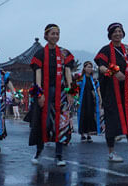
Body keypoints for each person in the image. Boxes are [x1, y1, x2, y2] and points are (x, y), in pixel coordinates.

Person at [29, 24, 75, 165]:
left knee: (60, 122)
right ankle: (39, 151)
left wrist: (70, 91)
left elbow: (68, 73)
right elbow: (37, 74)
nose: (55, 36)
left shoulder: (64, 53)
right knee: (43, 122)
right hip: (44, 91)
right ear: (46, 36)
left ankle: (59, 155)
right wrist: (39, 93)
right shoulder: (40, 54)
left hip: (60, 92)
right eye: (52, 33)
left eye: (57, 33)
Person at [95, 22, 128, 164]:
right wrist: (114, 72)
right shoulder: (105, 50)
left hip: (127, 92)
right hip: (111, 92)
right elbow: (101, 66)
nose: (117, 34)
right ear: (110, 34)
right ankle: (111, 152)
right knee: (112, 121)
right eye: (114, 31)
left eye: (120, 31)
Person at [76, 61, 101, 142]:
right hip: (82, 100)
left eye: (90, 67)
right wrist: (76, 99)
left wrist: (99, 98)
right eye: (88, 67)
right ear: (84, 68)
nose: (89, 68)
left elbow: (97, 89)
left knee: (90, 115)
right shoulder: (80, 78)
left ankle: (89, 134)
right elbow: (75, 88)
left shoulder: (93, 79)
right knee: (82, 115)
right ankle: (82, 134)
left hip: (90, 100)